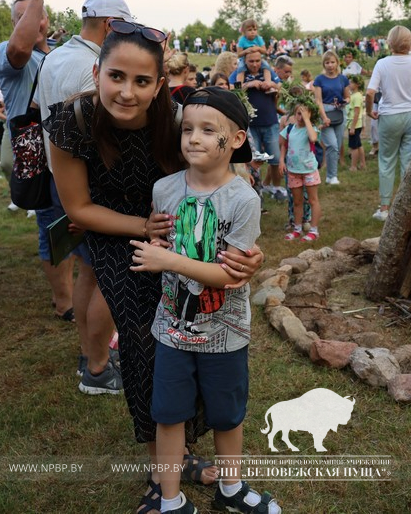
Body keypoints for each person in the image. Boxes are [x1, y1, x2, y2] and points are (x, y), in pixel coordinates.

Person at [44, 23, 263, 512]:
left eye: (142, 81)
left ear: (159, 84)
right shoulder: (70, 123)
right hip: (116, 232)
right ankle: (161, 467)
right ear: (97, 72)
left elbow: (220, 176)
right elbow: (78, 208)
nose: (127, 91)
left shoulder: (176, 117)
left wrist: (246, 249)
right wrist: (141, 227)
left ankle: (181, 445)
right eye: (116, 76)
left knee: (192, 332)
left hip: (181, 227)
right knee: (145, 342)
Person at [129, 86, 279, 514]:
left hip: (225, 334)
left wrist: (165, 258)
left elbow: (227, 275)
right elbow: (165, 239)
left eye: (207, 130)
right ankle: (171, 500)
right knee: (169, 414)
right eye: (187, 129)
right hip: (172, 331)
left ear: (234, 140)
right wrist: (161, 247)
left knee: (227, 416)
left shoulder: (244, 199)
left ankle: (230, 490)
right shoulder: (163, 190)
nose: (193, 138)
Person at [37, 0, 137, 394]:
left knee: (90, 272)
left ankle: (90, 355)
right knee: (109, 279)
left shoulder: (56, 56)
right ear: (111, 25)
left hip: (61, 178)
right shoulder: (94, 67)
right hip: (93, 186)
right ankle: (97, 369)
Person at [366, 25, 411, 220]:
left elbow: (370, 92)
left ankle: (384, 208)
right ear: (410, 43)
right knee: (409, 162)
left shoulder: (382, 64)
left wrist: (368, 111)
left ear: (390, 42)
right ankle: (407, 207)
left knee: (387, 161)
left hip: (389, 116)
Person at [0, 0, 51, 183]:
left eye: (37, 15)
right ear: (13, 24)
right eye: (23, 17)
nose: (33, 21)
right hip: (32, 152)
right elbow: (20, 48)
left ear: (47, 20)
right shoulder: (3, 52)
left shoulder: (59, 54)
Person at [237, 48, 282, 196]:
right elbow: (234, 89)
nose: (255, 64)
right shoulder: (241, 73)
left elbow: (280, 86)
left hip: (270, 122)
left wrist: (270, 85)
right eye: (251, 61)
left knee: (275, 157)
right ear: (245, 61)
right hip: (251, 125)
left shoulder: (267, 72)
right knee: (254, 160)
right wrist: (250, 84)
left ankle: (275, 187)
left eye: (258, 61)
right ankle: (257, 189)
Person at [280, 98, 323, 242]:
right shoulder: (290, 128)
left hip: (309, 170)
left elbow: (313, 138)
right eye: (298, 114)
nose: (300, 117)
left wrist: (307, 120)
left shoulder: (312, 128)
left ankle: (314, 230)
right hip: (293, 171)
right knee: (297, 201)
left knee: (312, 200)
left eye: (304, 114)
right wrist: (281, 161)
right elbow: (283, 145)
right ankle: (297, 228)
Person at [313, 50, 351, 186]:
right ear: (324, 64)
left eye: (332, 62)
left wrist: (345, 101)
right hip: (325, 111)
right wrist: (323, 117)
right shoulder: (319, 79)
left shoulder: (343, 78)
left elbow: (348, 96)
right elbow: (318, 100)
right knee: (332, 145)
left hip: (339, 112)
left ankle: (330, 175)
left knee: (337, 144)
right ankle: (332, 176)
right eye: (327, 62)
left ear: (337, 63)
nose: (330, 65)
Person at [346, 74, 367, 171]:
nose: (349, 84)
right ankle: (363, 164)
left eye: (351, 82)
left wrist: (353, 127)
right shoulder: (353, 95)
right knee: (358, 144)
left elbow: (357, 112)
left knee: (354, 146)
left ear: (357, 84)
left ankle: (353, 166)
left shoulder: (357, 96)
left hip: (355, 124)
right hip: (354, 124)